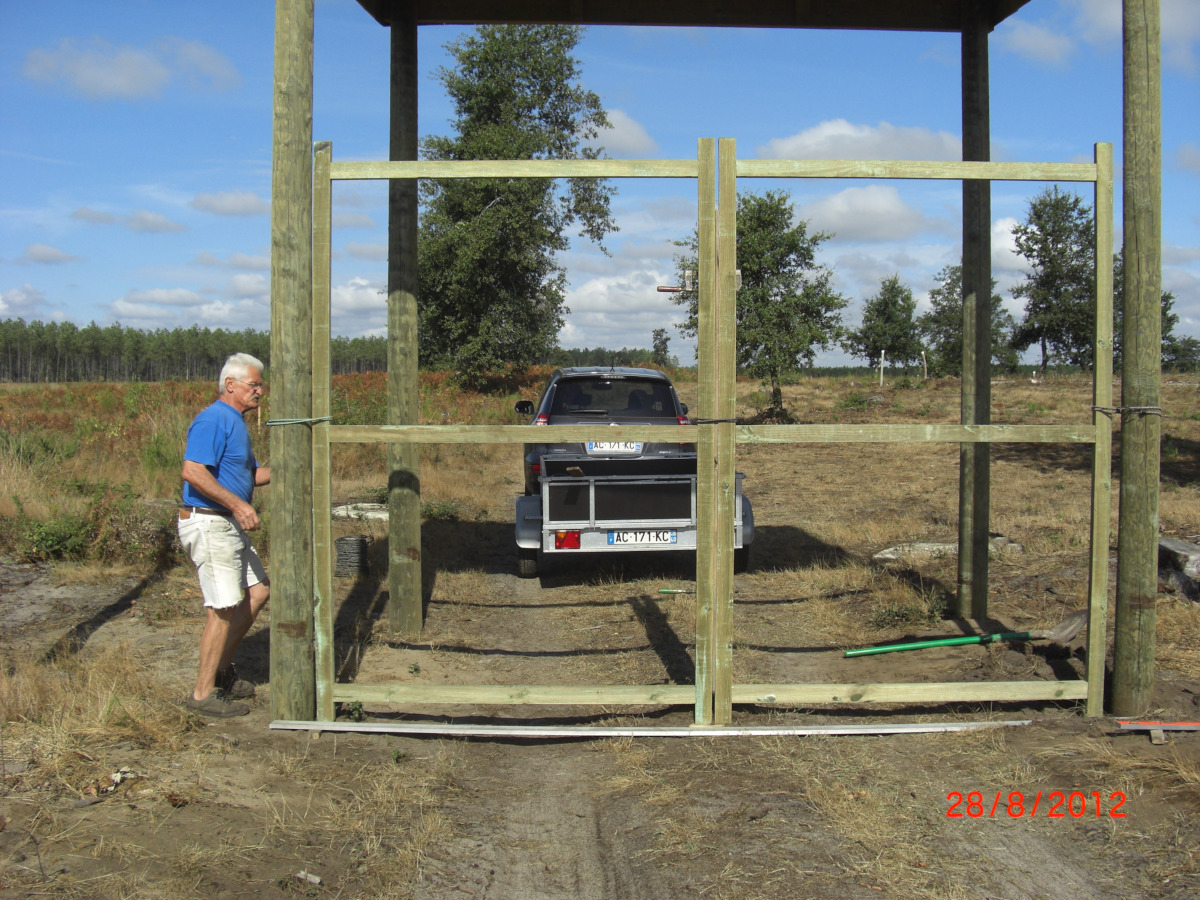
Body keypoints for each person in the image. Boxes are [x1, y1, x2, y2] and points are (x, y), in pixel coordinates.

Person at [177, 353, 271, 717]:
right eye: (254, 384)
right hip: (210, 521)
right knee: (223, 608)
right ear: (230, 385)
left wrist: (293, 467)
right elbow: (193, 471)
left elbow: (252, 475)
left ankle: (220, 675)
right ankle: (202, 696)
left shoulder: (236, 422)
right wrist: (239, 505)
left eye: (261, 385)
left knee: (258, 591)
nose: (260, 391)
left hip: (225, 522)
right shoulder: (214, 419)